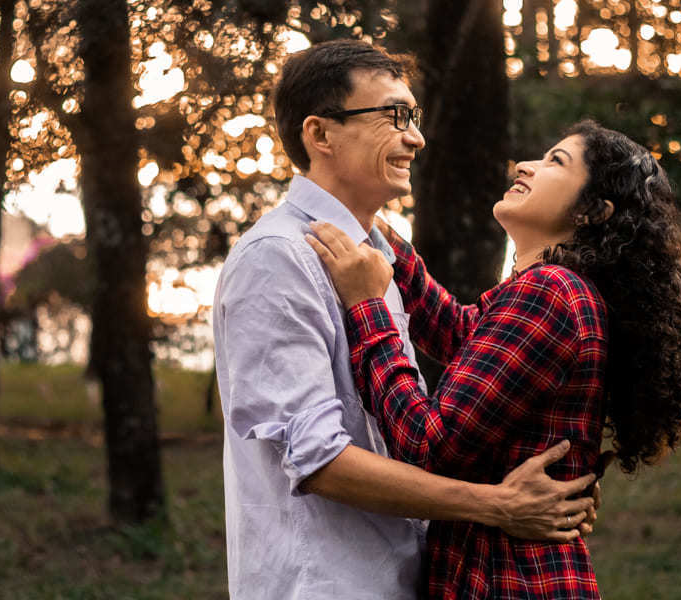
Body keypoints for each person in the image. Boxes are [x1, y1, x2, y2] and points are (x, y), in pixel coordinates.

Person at [213, 40, 600, 600]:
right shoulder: (277, 257)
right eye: (393, 116)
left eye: (413, 118)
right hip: (328, 584)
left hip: (404, 575)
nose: (415, 137)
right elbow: (319, 461)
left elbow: (476, 351)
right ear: (320, 135)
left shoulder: (374, 260)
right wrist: (497, 505)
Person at [306, 120, 681, 599]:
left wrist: (366, 306)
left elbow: (425, 443)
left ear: (592, 211)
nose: (525, 165)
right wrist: (376, 234)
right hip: (515, 569)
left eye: (555, 161)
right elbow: (462, 332)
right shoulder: (551, 290)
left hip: (508, 577)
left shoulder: (550, 292)